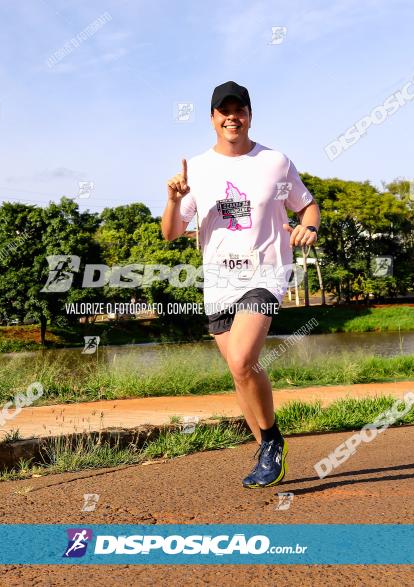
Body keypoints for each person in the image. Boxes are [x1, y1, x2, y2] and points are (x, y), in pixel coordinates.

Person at [161, 81, 320, 488]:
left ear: (249, 114)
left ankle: (271, 444)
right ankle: (268, 447)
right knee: (240, 372)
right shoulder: (197, 168)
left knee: (241, 360)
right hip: (217, 280)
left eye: (239, 108)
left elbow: (306, 204)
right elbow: (172, 232)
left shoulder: (275, 162)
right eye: (224, 110)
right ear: (213, 118)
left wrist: (308, 227)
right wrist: (175, 200)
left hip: (265, 272)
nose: (232, 116)